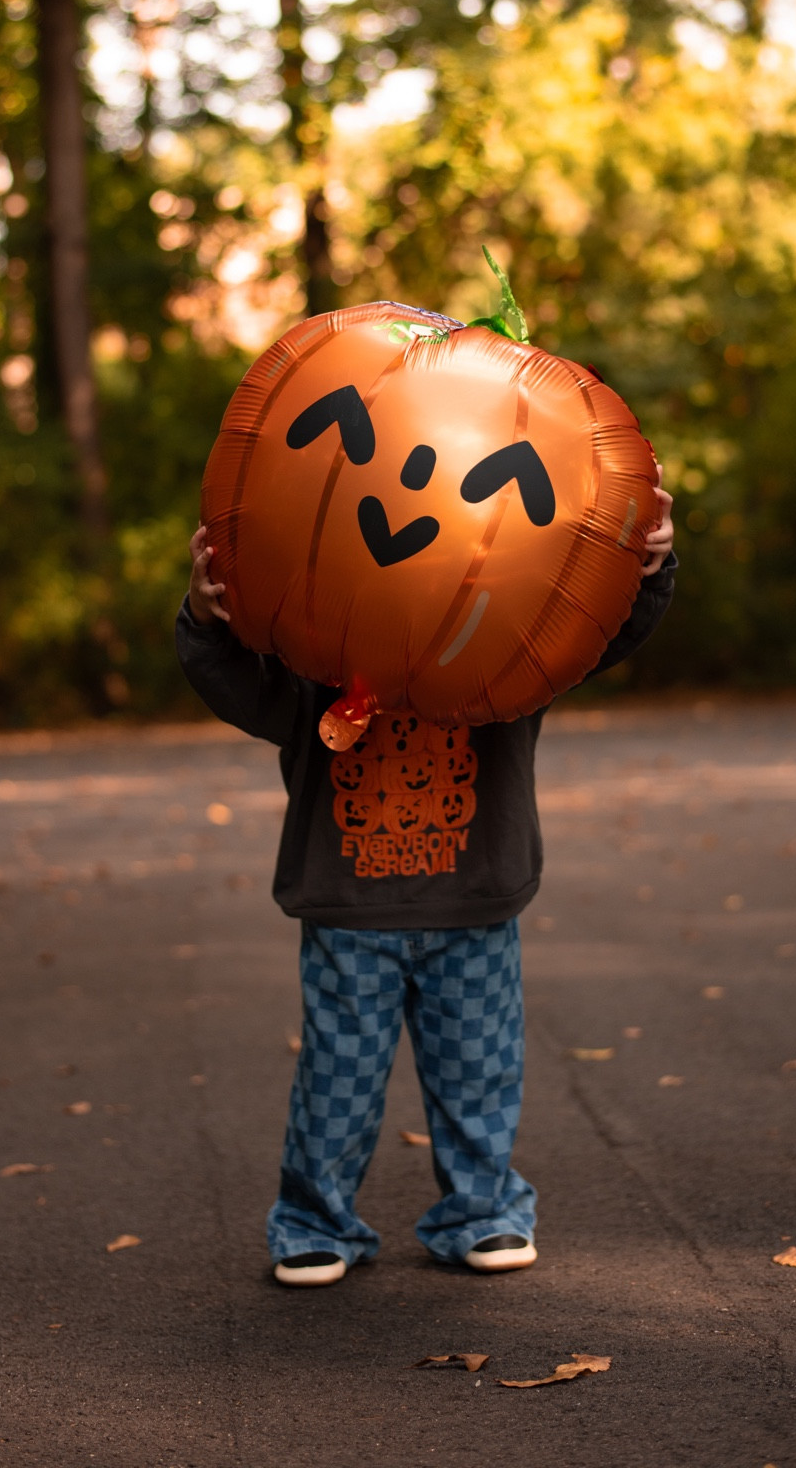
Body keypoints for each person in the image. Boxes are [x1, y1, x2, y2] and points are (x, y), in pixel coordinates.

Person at [176, 471, 675, 1288]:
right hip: (349, 908)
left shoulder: (507, 655)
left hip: (473, 904)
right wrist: (204, 615)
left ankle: (482, 1213)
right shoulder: (313, 662)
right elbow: (232, 680)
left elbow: (596, 630)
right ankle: (313, 1220)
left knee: (477, 1071)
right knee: (336, 1079)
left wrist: (647, 569)